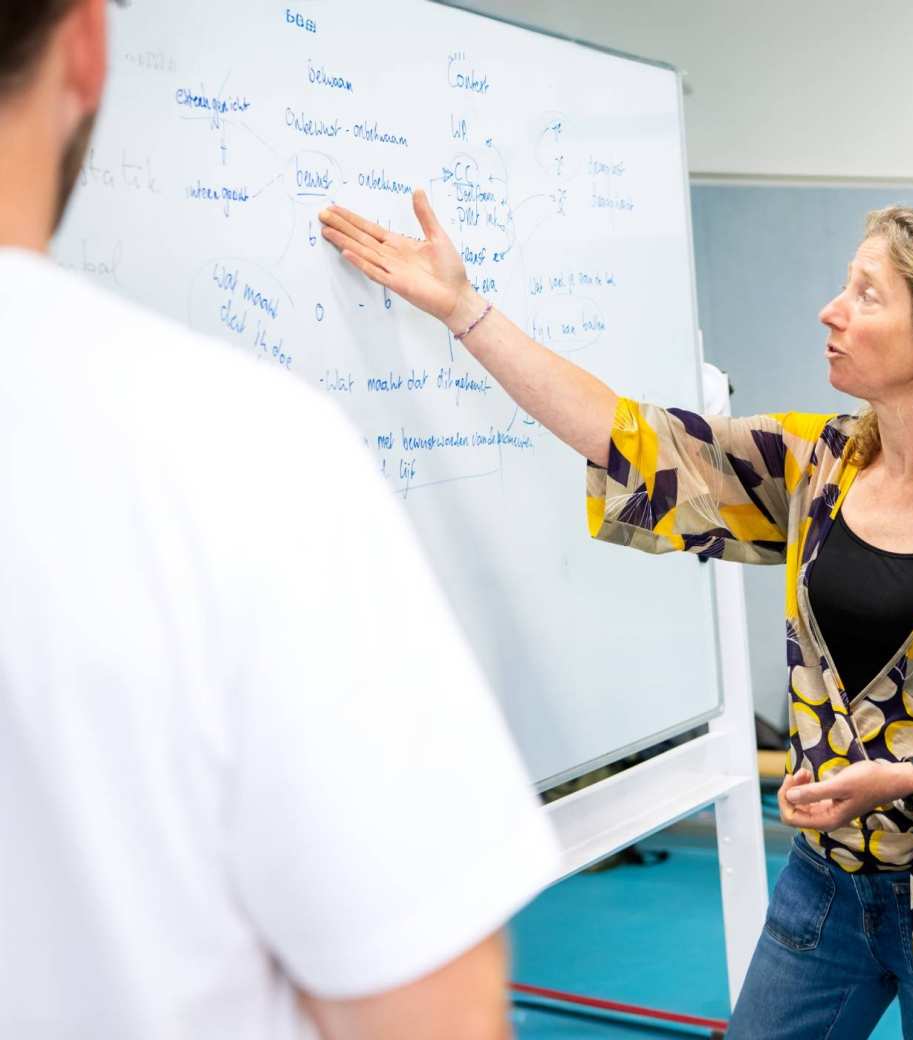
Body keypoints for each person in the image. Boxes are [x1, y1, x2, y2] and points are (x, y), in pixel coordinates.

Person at [320, 192, 913, 1038]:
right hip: (826, 882)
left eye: (867, 295)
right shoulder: (821, 465)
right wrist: (463, 308)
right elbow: (627, 437)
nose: (831, 310)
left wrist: (912, 777)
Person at [0, 3, 560, 1038]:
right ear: (87, 46)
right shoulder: (229, 446)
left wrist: (465, 311)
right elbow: (426, 1010)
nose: (831, 313)